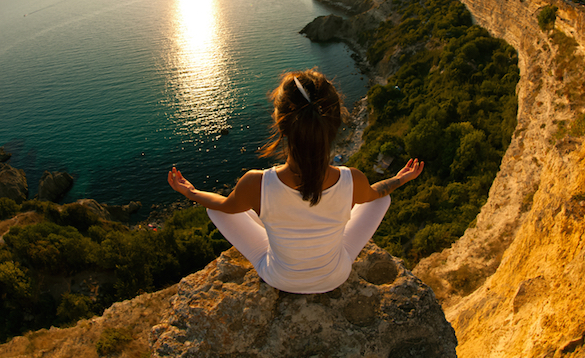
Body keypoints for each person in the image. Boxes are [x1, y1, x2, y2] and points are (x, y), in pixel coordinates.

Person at [167, 68, 424, 294]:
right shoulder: (351, 179)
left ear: (281, 124)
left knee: (217, 207)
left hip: (280, 278)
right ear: (334, 124)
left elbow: (224, 206)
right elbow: (375, 194)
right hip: (334, 276)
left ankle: (276, 229)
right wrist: (398, 179)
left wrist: (191, 192)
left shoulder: (256, 183)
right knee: (382, 198)